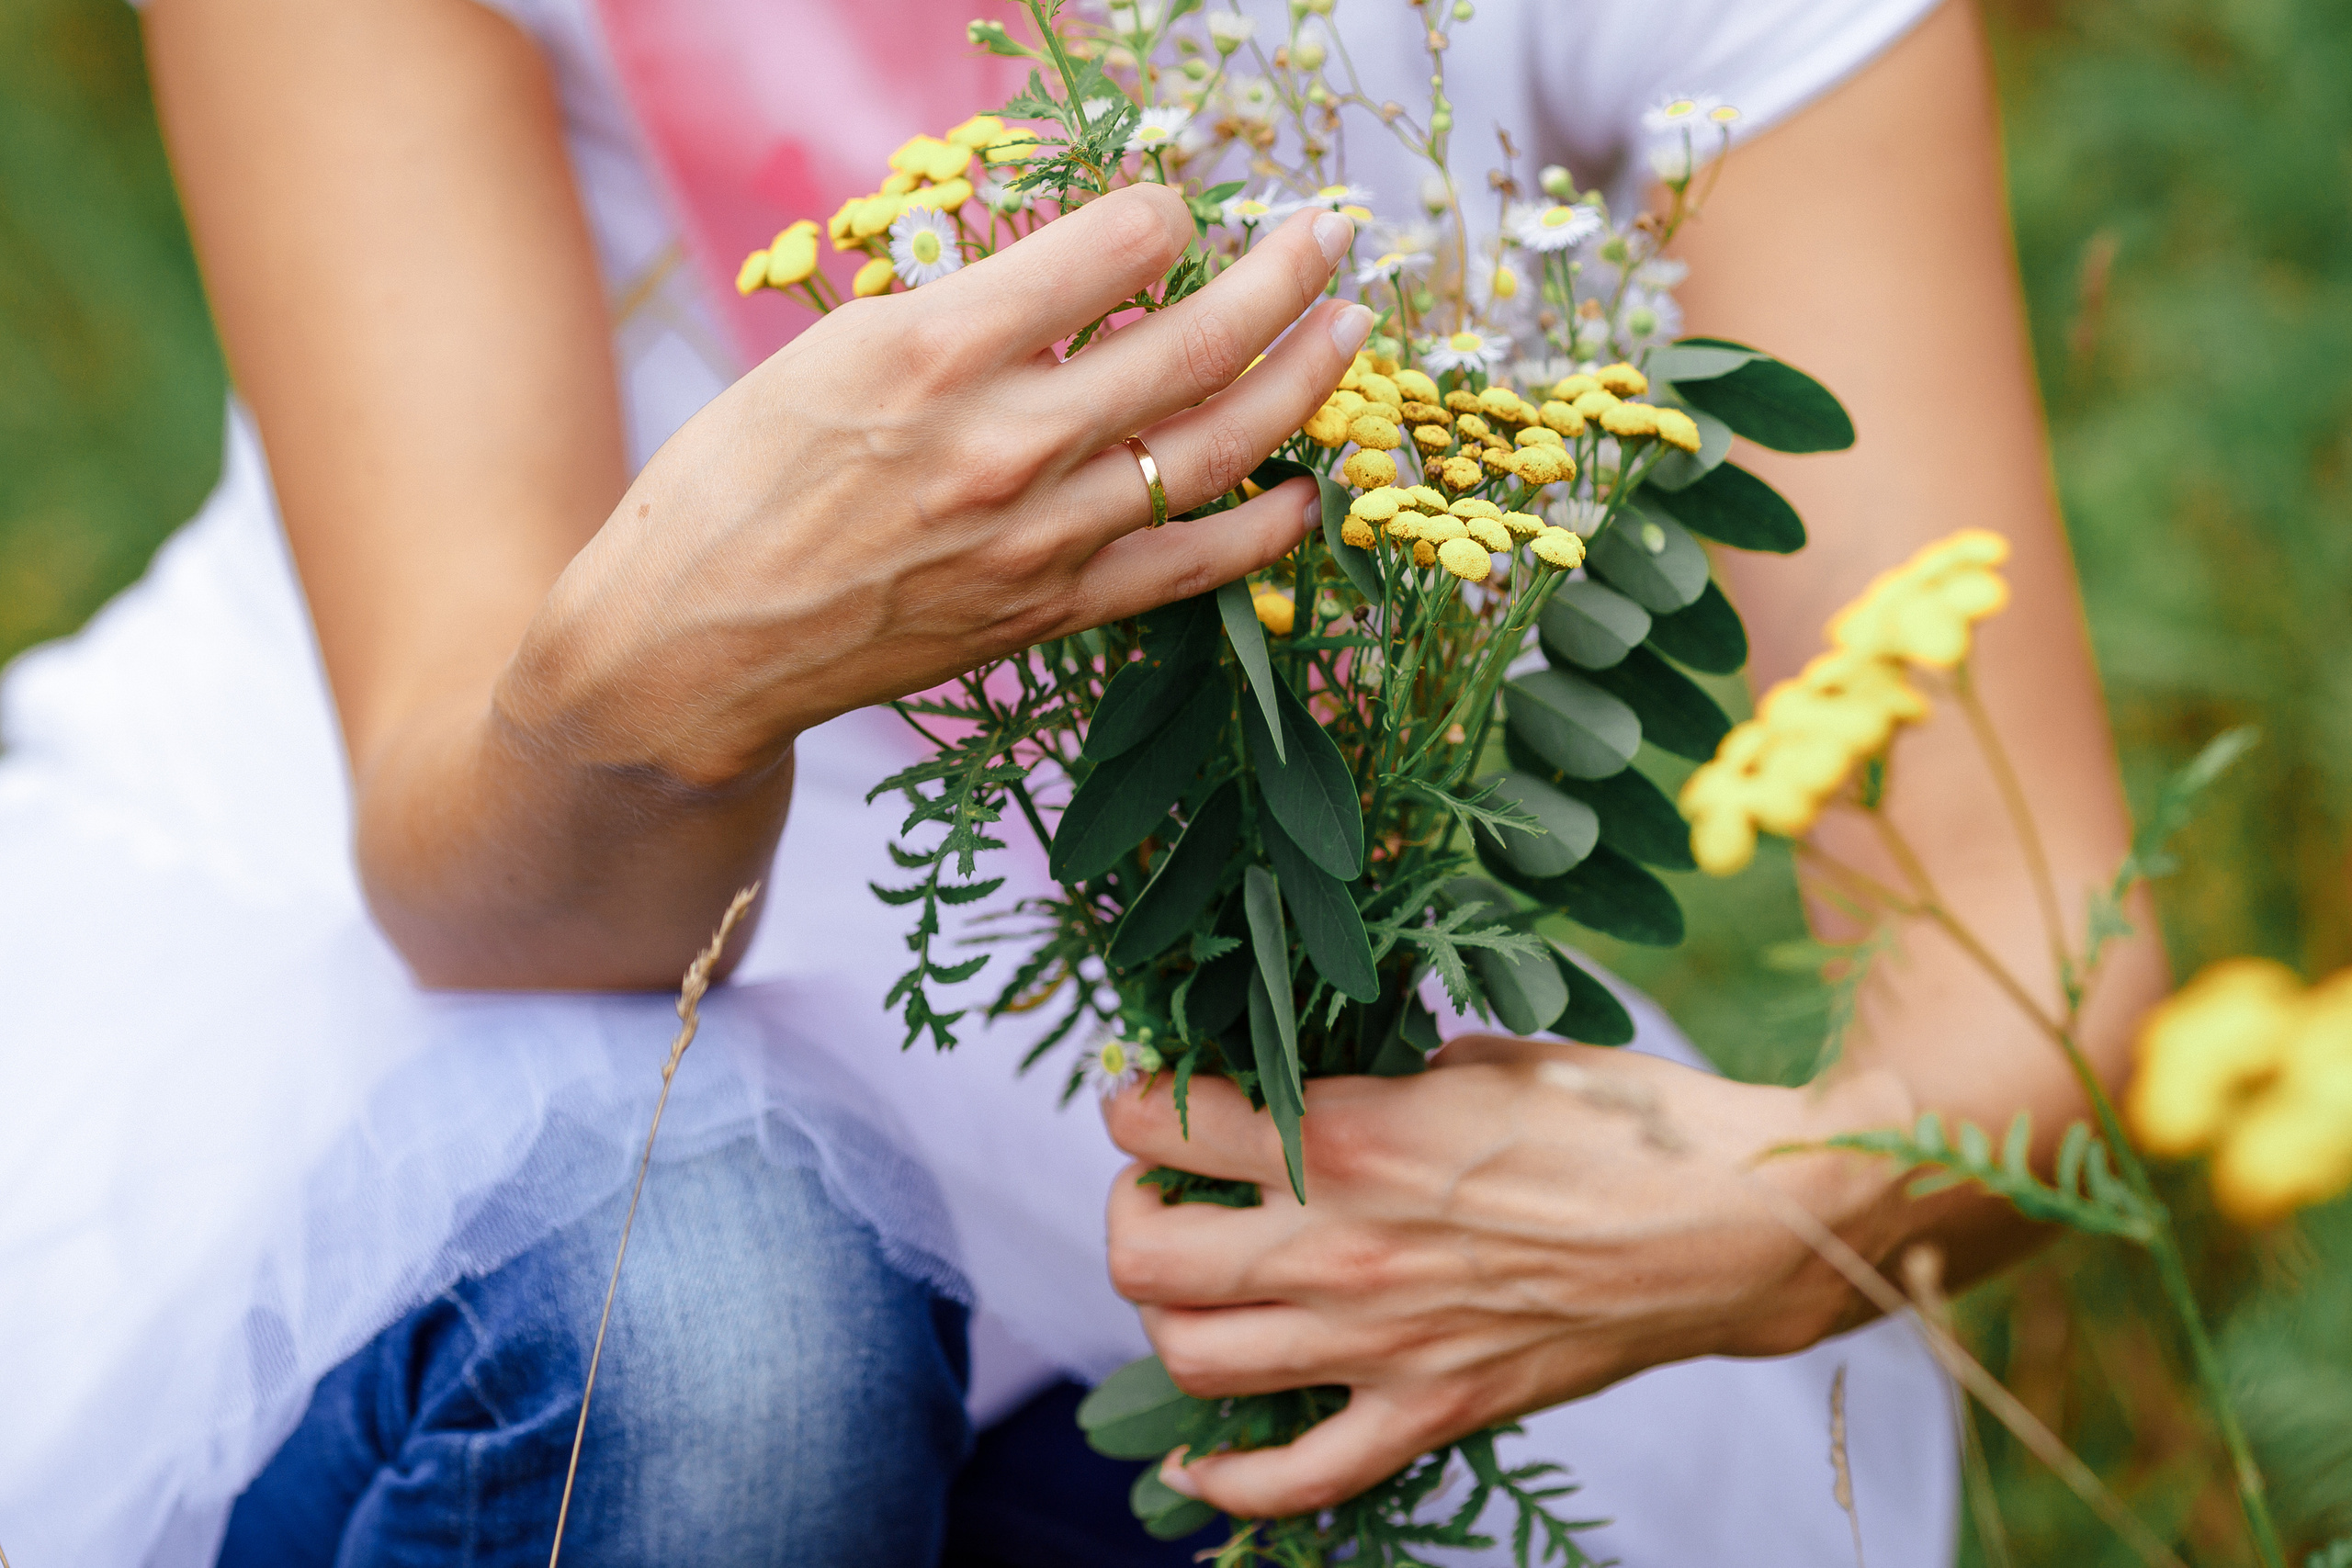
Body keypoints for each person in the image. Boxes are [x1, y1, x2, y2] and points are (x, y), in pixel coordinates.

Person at [0, 0, 2161, 1564]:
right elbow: (507, 896)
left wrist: (1761, 1219)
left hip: (1171, 1037)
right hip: (434, 963)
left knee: (1367, 1476)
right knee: (726, 1335)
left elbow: (2030, 963)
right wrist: (670, 667)